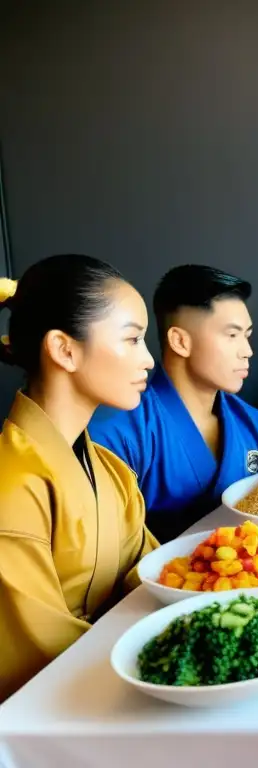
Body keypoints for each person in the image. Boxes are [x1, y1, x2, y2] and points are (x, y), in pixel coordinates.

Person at [0, 254, 159, 702]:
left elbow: (152, 577)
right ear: (64, 349)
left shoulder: (109, 469)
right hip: (49, 708)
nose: (148, 359)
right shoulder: (11, 485)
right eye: (132, 340)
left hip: (106, 675)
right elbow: (33, 649)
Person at [89, 265, 258, 543]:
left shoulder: (256, 426)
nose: (247, 351)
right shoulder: (119, 433)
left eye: (247, 335)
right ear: (180, 341)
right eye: (232, 335)